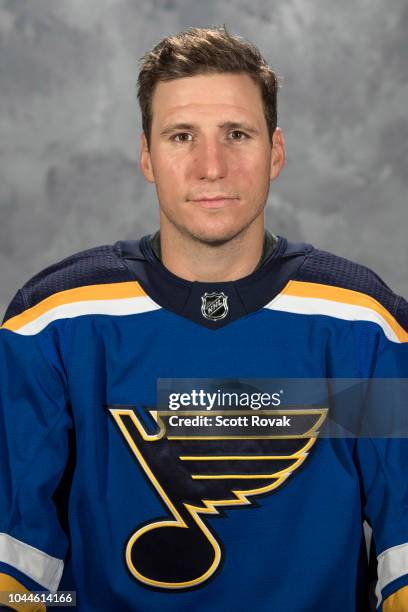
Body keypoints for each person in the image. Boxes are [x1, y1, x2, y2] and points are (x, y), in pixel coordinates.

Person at [0, 25, 407, 612]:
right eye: (181, 135)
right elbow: (21, 572)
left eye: (237, 134)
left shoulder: (365, 327)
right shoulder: (52, 324)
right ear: (146, 154)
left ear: (277, 151)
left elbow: (404, 556)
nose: (210, 166)